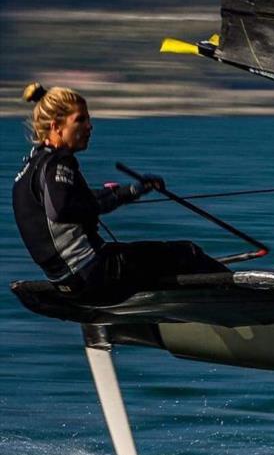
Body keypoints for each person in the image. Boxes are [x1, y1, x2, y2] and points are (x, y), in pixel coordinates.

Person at [13, 82, 228, 301]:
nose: (89, 126)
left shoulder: (30, 167)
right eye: (80, 120)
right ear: (56, 126)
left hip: (66, 281)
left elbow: (73, 201)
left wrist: (131, 191)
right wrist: (114, 198)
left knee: (148, 258)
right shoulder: (60, 162)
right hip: (95, 273)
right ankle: (244, 295)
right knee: (187, 253)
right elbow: (62, 209)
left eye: (88, 119)